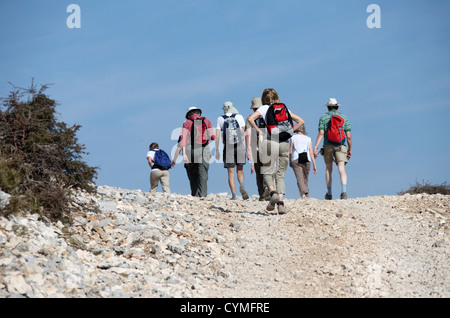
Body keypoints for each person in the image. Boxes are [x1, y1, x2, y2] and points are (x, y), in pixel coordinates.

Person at [248, 88, 305, 214]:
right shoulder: (284, 109)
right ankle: (280, 204)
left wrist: (258, 131)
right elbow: (301, 121)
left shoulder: (263, 109)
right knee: (280, 174)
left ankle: (272, 192)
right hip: (284, 143)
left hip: (270, 141)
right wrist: (290, 131)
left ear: (264, 99)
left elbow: (250, 119)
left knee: (267, 171)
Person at [313, 98, 352, 200]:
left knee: (328, 169)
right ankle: (344, 192)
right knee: (341, 168)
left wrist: (316, 147)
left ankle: (329, 193)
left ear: (328, 107)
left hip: (328, 145)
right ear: (337, 107)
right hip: (341, 145)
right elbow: (348, 136)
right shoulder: (343, 117)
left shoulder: (323, 117)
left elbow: (321, 133)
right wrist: (350, 149)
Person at [215, 101, 249, 200]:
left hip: (228, 146)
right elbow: (245, 132)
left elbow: (217, 136)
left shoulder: (220, 118)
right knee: (240, 170)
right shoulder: (239, 117)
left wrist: (217, 150)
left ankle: (234, 195)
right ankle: (242, 185)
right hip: (239, 145)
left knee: (230, 172)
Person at [179, 106, 215, 197]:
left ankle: (195, 194)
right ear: (199, 113)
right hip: (203, 148)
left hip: (190, 149)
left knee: (193, 172)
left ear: (189, 115)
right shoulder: (206, 120)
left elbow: (182, 140)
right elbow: (213, 137)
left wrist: (184, 155)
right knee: (203, 171)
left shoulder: (186, 123)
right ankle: (203, 194)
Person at [246, 97, 268, 201]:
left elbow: (248, 135)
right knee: (268, 169)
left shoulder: (250, 118)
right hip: (268, 145)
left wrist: (248, 149)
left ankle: (262, 194)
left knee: (259, 172)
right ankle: (270, 190)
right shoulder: (268, 116)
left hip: (256, 147)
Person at [290, 124, 317, 199]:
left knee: (299, 178)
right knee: (305, 178)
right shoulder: (308, 138)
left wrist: (290, 161)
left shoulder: (293, 137)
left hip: (296, 158)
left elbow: (290, 151)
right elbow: (311, 152)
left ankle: (303, 194)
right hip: (307, 159)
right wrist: (314, 165)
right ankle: (306, 193)